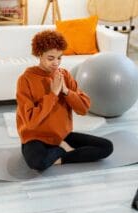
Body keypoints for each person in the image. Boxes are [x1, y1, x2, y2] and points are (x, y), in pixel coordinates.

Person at [16, 30, 113, 171]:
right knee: (37, 163)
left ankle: (60, 153)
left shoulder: (64, 75)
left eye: (59, 58)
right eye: (51, 58)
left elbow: (83, 109)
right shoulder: (25, 80)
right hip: (35, 137)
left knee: (106, 147)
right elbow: (30, 122)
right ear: (39, 54)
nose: (56, 63)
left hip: (62, 136)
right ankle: (62, 150)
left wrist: (66, 92)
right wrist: (53, 94)